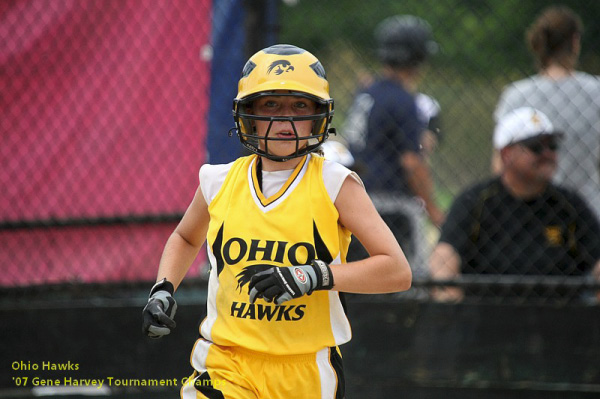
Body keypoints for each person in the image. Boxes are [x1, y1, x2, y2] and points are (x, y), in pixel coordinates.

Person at [141, 44, 412, 399]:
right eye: (271, 105)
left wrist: (313, 275)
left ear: (319, 114)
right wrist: (163, 288)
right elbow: (186, 238)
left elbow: (397, 271)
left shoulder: (335, 184)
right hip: (226, 361)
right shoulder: (218, 181)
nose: (284, 120)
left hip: (305, 370)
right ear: (248, 114)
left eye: (299, 105)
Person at [430, 107, 600, 302]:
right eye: (536, 147)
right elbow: (444, 254)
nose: (547, 154)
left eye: (552, 146)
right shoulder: (477, 200)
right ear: (506, 154)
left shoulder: (568, 204)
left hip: (559, 319)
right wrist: (449, 302)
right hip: (488, 318)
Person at [342, 14, 444, 277]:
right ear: (419, 57)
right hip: (393, 205)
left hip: (355, 197)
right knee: (411, 276)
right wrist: (433, 210)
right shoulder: (403, 100)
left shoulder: (368, 92)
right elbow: (412, 163)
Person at [494, 5, 600, 221]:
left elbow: (500, 164)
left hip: (528, 216)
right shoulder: (595, 91)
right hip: (588, 212)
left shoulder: (516, 95)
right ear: (575, 42)